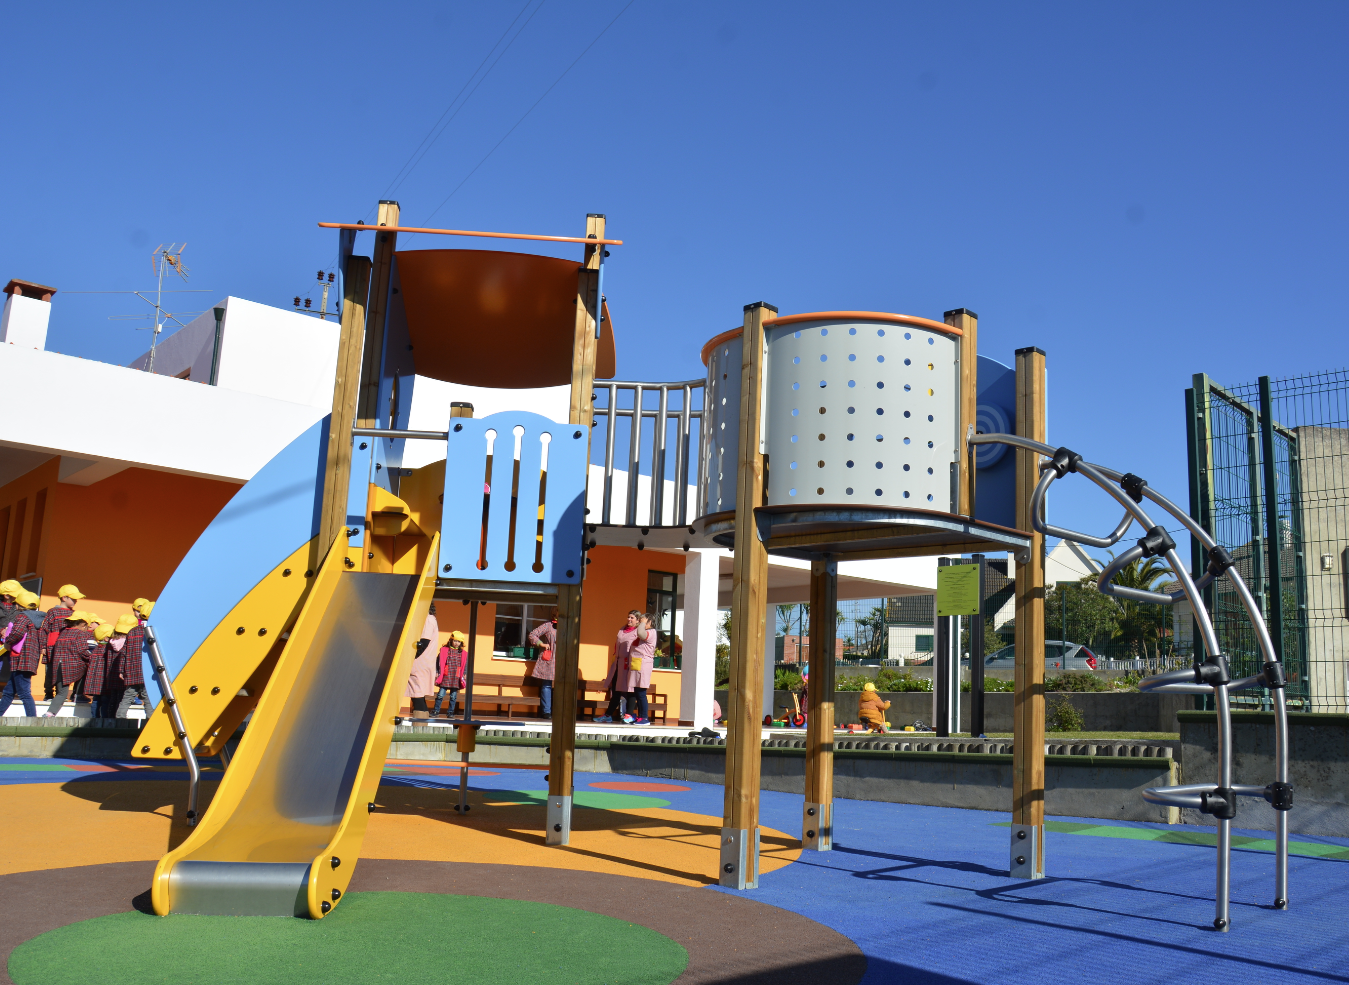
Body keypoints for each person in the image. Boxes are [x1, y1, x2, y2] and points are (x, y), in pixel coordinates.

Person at [595, 611, 642, 724]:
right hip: (618, 663)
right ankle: (608, 715)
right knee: (616, 690)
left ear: (637, 620)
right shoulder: (622, 629)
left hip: (629, 664)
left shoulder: (638, 632)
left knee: (630, 690)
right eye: (628, 617)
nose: (629, 619)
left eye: (632, 618)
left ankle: (629, 715)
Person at [0, 591, 42, 717]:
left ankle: (32, 720)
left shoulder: (22, 617)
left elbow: (17, 633)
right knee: (8, 692)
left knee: (24, 693)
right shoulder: (39, 620)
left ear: (20, 605)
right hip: (30, 659)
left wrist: (7, 641)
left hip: (20, 659)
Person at [39, 584, 83, 701]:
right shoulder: (53, 612)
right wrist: (43, 646)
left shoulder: (75, 614)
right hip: (52, 647)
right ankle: (48, 693)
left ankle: (61, 694)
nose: (76, 601)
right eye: (73, 598)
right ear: (64, 598)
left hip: (67, 648)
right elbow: (44, 629)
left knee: (63, 670)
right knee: (50, 671)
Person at [46, 610, 93, 717]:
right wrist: (93, 657)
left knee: (61, 693)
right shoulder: (80, 634)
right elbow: (82, 651)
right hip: (73, 667)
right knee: (87, 668)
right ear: (83, 624)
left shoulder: (63, 632)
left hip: (58, 666)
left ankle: (50, 713)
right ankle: (78, 694)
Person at [114, 612, 149, 719]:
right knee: (148, 698)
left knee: (127, 696)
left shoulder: (132, 631)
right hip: (148, 672)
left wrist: (121, 670)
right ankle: (150, 719)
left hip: (131, 671)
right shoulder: (153, 631)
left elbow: (123, 653)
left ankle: (119, 718)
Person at [527, 607, 558, 719]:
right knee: (546, 685)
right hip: (550, 659)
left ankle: (559, 711)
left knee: (562, 686)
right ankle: (546, 712)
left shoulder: (567, 627)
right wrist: (541, 644)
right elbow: (532, 634)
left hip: (563, 660)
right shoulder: (548, 625)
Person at [405, 619, 438, 719]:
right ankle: (421, 724)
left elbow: (423, 643)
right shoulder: (430, 619)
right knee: (418, 696)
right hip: (421, 663)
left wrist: (410, 657)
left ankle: (419, 725)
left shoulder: (428, 619)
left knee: (417, 696)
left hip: (419, 664)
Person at [83, 622, 116, 718]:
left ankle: (94, 718)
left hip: (95, 681)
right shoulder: (108, 650)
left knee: (96, 700)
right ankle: (104, 719)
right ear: (106, 638)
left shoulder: (95, 649)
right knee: (106, 701)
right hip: (104, 681)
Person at [433, 631, 467, 718]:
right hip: (446, 676)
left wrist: (465, 673)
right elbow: (438, 662)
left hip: (456, 677)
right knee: (440, 695)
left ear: (461, 643)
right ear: (451, 640)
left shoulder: (463, 653)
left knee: (453, 696)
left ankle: (450, 712)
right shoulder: (444, 650)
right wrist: (437, 671)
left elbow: (465, 664)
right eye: (455, 641)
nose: (456, 643)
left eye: (458, 641)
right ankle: (436, 711)